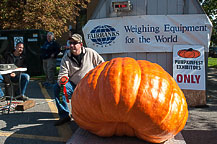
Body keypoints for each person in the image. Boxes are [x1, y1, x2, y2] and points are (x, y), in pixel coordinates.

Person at [54, 33, 104, 126]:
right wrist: (62, 80)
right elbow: (62, 73)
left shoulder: (90, 52)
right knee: (58, 88)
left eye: (74, 43)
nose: (72, 45)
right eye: (70, 43)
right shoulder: (66, 57)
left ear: (81, 44)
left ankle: (92, 115)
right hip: (73, 85)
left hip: (89, 85)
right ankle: (64, 115)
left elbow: (102, 65)